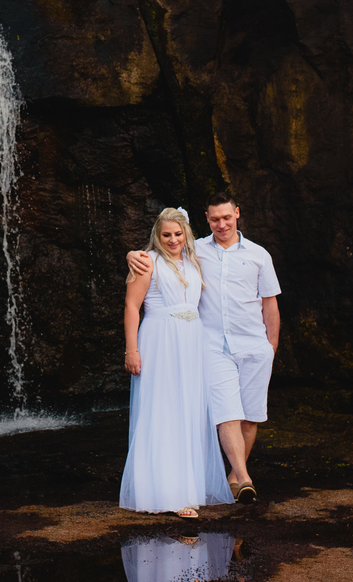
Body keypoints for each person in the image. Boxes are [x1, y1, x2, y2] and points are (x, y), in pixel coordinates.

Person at [128, 192, 281, 504]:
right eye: (215, 219)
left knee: (250, 415)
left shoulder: (256, 255)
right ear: (207, 219)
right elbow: (155, 255)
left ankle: (234, 477)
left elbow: (270, 303)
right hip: (209, 346)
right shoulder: (194, 249)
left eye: (226, 217)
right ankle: (245, 478)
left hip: (248, 344)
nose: (221, 224)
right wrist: (132, 254)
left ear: (237, 214)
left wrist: (271, 346)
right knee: (225, 412)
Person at [119, 207, 234, 518]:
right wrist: (132, 349)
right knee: (164, 411)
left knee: (188, 412)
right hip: (160, 341)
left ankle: (188, 487)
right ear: (157, 235)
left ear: (186, 234)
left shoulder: (193, 260)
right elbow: (132, 306)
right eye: (166, 234)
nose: (172, 240)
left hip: (191, 342)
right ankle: (168, 494)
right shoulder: (147, 261)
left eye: (178, 234)